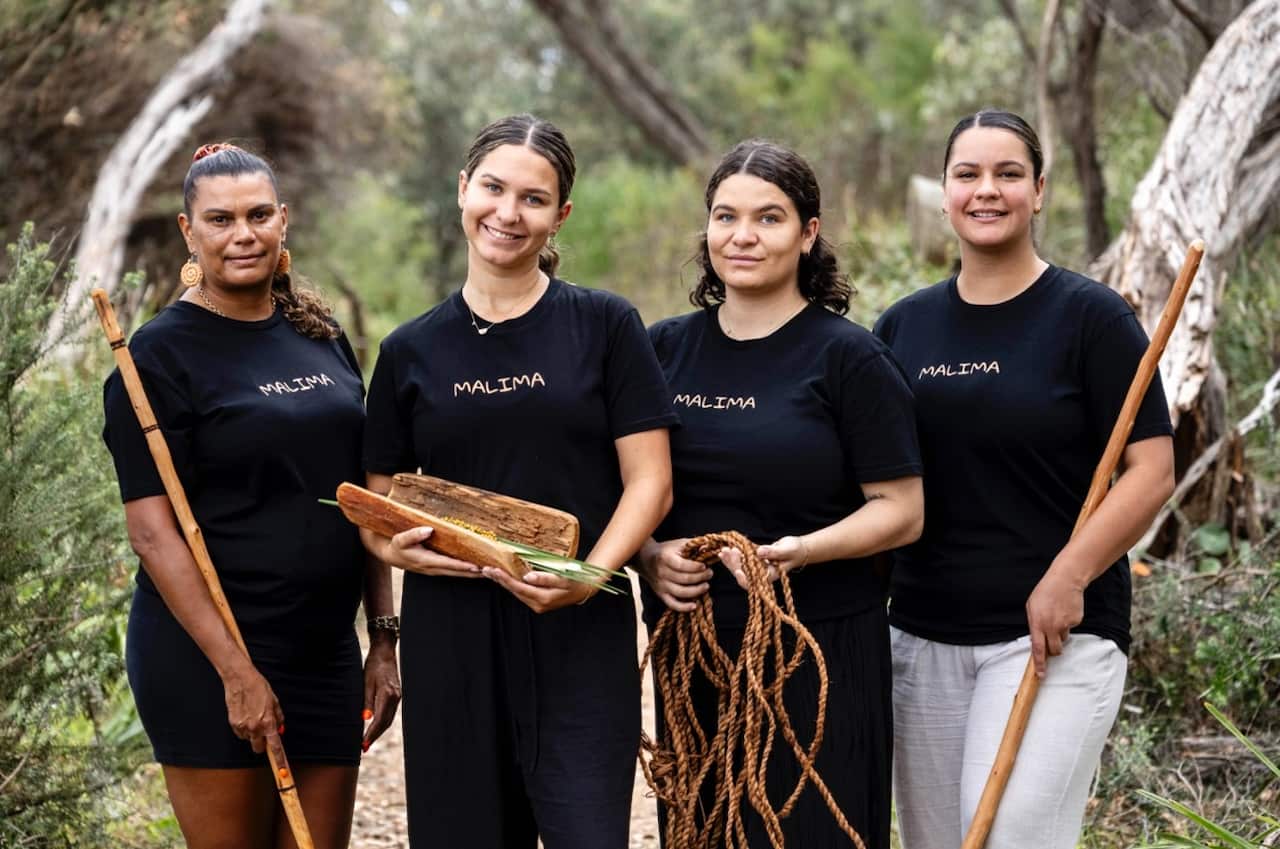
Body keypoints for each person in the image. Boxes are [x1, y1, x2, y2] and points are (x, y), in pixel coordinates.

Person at [359, 114, 677, 849]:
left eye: (533, 199)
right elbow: (380, 502)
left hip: (578, 622)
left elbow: (650, 482)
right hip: (452, 633)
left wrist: (588, 574)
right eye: (493, 189)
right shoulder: (408, 350)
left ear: (561, 214)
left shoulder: (605, 325)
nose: (508, 213)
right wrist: (398, 551)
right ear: (463, 190)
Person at [872, 109, 1176, 849]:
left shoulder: (1091, 318)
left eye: (1008, 174)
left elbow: (1152, 466)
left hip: (1055, 634)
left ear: (1038, 191)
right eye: (967, 174)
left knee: (1012, 834)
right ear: (942, 193)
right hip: (922, 631)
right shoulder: (903, 328)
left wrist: (1070, 573)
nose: (987, 190)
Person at [102, 144, 400, 849]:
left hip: (322, 650)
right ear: (188, 231)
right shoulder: (155, 358)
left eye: (259, 214)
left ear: (284, 220)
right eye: (222, 218)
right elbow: (151, 532)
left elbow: (363, 499)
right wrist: (237, 671)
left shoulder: (321, 337)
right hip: (208, 654)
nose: (244, 233)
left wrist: (382, 637)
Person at [636, 139, 925, 849]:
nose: (743, 235)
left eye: (768, 217)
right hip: (694, 649)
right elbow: (624, 490)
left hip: (817, 649)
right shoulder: (659, 350)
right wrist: (647, 554)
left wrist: (803, 552)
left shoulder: (849, 358)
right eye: (725, 216)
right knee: (702, 829)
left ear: (808, 232)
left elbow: (902, 509)